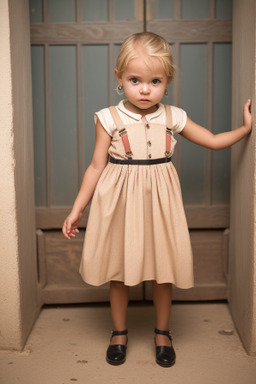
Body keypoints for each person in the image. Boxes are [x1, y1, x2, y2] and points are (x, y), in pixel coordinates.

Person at [62, 32, 252, 368]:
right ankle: (118, 333)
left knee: (163, 270)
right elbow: (95, 166)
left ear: (168, 81)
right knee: (118, 270)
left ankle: (162, 333)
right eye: (135, 80)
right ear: (119, 78)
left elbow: (210, 139)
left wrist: (244, 129)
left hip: (161, 201)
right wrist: (77, 209)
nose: (145, 89)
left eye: (155, 81)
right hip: (119, 201)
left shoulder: (173, 116)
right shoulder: (108, 118)